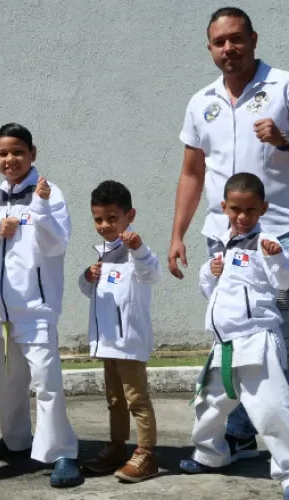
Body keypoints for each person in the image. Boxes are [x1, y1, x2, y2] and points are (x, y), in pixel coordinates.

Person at [168, 6, 289, 473]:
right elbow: (191, 172)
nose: (229, 49)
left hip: (278, 233)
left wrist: (286, 141)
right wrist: (178, 233)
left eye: (236, 39)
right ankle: (240, 435)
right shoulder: (202, 100)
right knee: (234, 334)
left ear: (253, 39)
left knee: (287, 336)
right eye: (219, 42)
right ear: (210, 48)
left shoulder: (286, 85)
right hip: (222, 236)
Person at [179, 172, 289, 500]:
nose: (242, 217)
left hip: (256, 341)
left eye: (250, 211)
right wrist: (208, 272)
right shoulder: (222, 245)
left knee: (272, 411)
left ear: (263, 209)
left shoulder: (266, 243)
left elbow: (285, 282)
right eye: (235, 210)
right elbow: (210, 291)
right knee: (209, 406)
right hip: (224, 344)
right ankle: (210, 454)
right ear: (224, 207)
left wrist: (276, 256)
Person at [0, 123, 84, 488]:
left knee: (46, 384)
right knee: (7, 384)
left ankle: (62, 451)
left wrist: (39, 208)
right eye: (3, 153)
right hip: (2, 312)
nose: (11, 159)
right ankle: (16, 441)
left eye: (18, 152)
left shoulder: (49, 192)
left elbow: (57, 245)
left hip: (36, 310)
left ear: (32, 154)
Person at [78, 180, 162, 482]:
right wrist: (87, 277)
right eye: (98, 219)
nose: (104, 225)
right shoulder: (103, 254)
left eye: (112, 218)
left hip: (129, 342)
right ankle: (116, 447)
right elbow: (92, 294)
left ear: (130, 216)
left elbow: (152, 273)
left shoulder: (136, 255)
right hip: (107, 343)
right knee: (114, 400)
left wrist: (139, 249)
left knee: (137, 400)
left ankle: (146, 454)